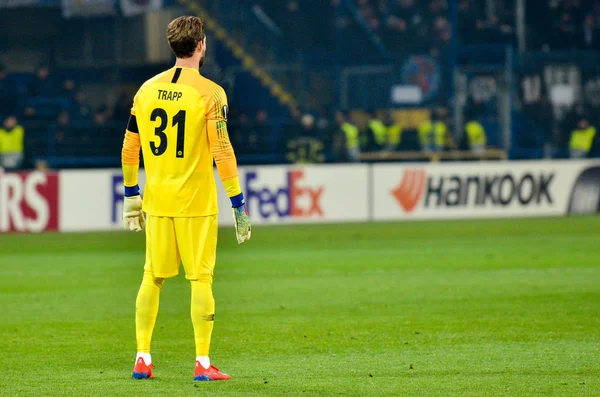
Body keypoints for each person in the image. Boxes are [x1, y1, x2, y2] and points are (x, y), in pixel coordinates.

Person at [120, 15, 251, 382]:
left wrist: (132, 195)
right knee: (201, 280)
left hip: (157, 202)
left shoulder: (145, 90)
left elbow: (130, 148)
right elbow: (222, 152)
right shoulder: (210, 92)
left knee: (152, 278)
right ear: (201, 44)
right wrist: (238, 204)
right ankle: (203, 363)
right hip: (195, 203)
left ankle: (142, 358)